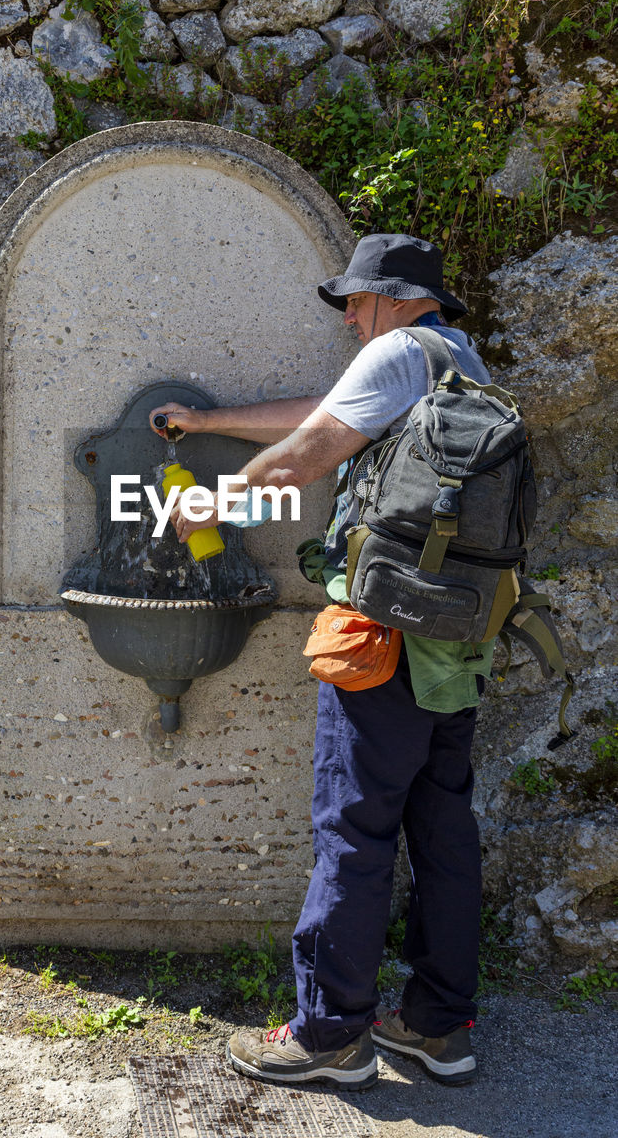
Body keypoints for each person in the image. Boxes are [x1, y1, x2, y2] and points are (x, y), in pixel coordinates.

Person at [150, 233, 492, 1090]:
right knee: (443, 829)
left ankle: (328, 1035)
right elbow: (328, 412)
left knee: (353, 827)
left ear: (391, 297)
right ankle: (437, 1029)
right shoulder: (456, 356)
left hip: (380, 634)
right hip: (457, 628)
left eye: (354, 301)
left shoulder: (391, 350)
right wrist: (212, 422)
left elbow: (310, 452)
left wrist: (214, 497)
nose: (347, 319)